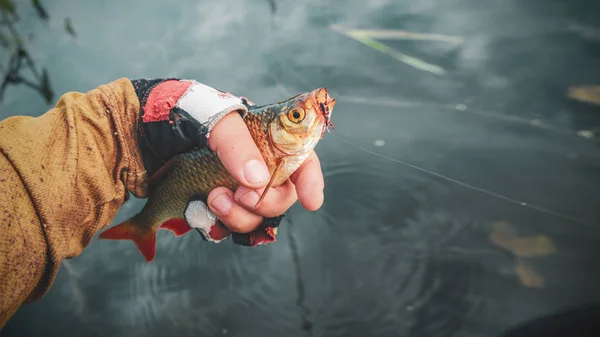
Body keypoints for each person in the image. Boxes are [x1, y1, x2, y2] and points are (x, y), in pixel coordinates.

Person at [0, 78, 325, 327]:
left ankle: (144, 224)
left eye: (296, 114)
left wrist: (130, 126)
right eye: (296, 114)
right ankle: (145, 225)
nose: (307, 112)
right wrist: (121, 125)